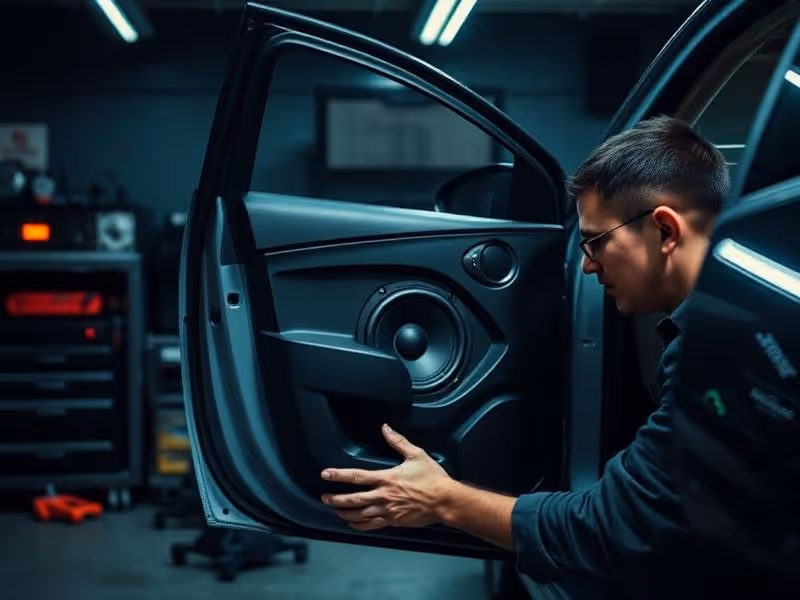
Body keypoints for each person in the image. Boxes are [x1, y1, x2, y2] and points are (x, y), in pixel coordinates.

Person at [318, 116, 730, 598]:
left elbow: (609, 529)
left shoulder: (714, 352)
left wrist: (443, 499)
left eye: (596, 240)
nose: (586, 263)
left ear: (663, 230)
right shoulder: (730, 321)